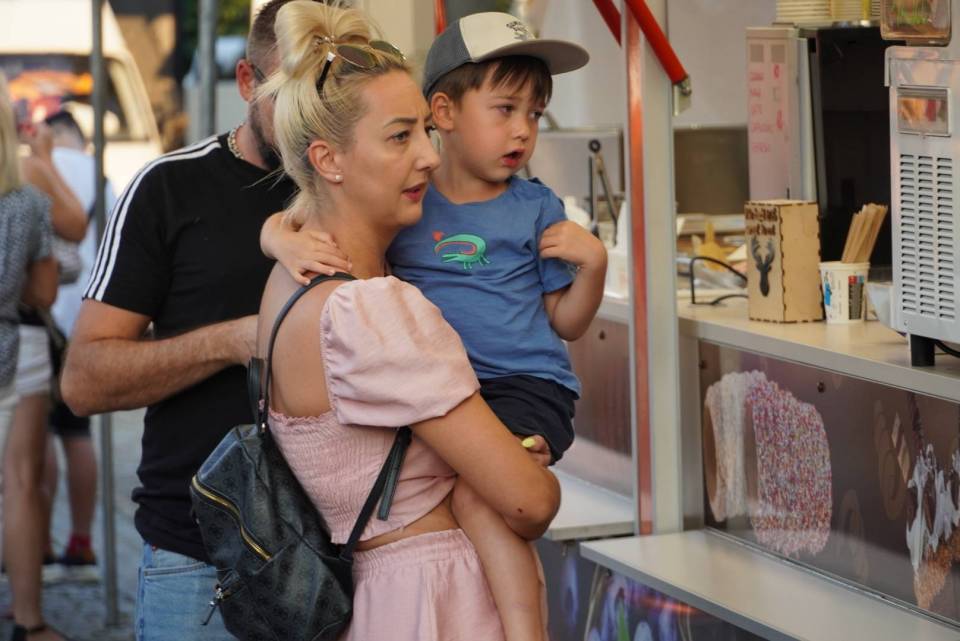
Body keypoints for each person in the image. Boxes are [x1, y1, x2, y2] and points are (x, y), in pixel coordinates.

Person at [262, 11, 605, 640]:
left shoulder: (291, 278)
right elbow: (529, 501)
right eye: (401, 137)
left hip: (387, 593)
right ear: (329, 159)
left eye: (421, 131)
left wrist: (274, 236)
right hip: (431, 603)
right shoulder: (370, 308)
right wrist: (537, 486)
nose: (426, 155)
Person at [60, 2, 347, 638]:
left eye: (326, 95)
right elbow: (84, 379)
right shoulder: (169, 188)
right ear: (246, 81)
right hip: (202, 561)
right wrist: (233, 340)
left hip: (347, 553)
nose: (310, 117)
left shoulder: (358, 183)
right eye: (291, 92)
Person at [39, 110, 118, 580]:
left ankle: (38, 547)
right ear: (79, 136)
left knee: (38, 435)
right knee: (77, 434)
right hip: (87, 316)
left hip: (43, 314)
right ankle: (82, 545)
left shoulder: (35, 169)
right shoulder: (101, 177)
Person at [0, 72, 63, 641]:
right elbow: (43, 294)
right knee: (20, 484)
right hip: (14, 350)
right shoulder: (27, 204)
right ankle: (28, 620)